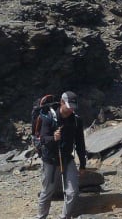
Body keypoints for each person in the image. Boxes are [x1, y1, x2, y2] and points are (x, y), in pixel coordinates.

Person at [37, 91, 87, 219]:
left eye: (73, 108)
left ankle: (64, 217)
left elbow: (80, 143)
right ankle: (41, 217)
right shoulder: (48, 117)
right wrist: (53, 138)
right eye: (69, 107)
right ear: (61, 103)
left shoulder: (76, 120)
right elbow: (42, 139)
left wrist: (82, 164)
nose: (71, 110)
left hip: (67, 159)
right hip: (50, 160)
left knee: (73, 192)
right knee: (47, 191)